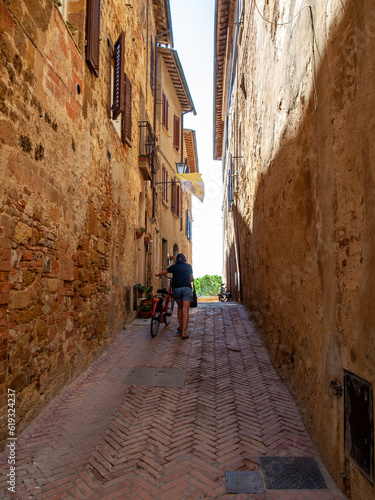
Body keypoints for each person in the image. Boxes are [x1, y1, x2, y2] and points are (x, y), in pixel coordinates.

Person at [155, 253, 193, 340]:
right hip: (186, 289)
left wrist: (157, 274)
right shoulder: (188, 266)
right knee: (185, 310)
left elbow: (163, 272)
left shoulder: (174, 267)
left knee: (180, 308)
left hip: (176, 289)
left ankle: (180, 327)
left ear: (177, 260)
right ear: (184, 259)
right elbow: (191, 279)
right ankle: (183, 333)